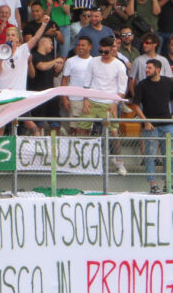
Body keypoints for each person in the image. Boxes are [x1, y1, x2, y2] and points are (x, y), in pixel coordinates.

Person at [78, 36, 128, 174]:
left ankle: (119, 162)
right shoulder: (93, 62)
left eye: (106, 52)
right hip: (93, 101)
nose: (103, 55)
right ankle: (82, 158)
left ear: (113, 50)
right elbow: (87, 81)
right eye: (101, 51)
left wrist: (115, 103)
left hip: (109, 103)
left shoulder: (119, 65)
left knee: (113, 133)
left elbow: (122, 89)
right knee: (83, 128)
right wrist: (85, 100)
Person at [129, 59, 173, 193]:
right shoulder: (142, 85)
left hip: (167, 124)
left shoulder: (168, 82)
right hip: (150, 126)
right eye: (146, 68)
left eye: (149, 68)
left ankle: (168, 183)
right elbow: (135, 105)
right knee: (150, 155)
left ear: (158, 69)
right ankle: (153, 184)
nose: (146, 70)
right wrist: (145, 121)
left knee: (169, 156)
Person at [60, 36, 95, 135]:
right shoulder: (70, 61)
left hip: (89, 100)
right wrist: (65, 98)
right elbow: (64, 80)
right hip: (74, 99)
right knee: (74, 128)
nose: (80, 47)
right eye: (78, 45)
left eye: (83, 45)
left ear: (89, 47)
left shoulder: (94, 62)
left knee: (87, 128)